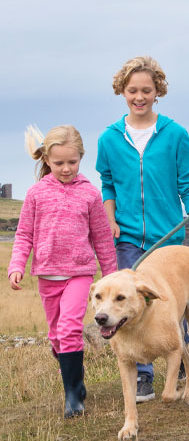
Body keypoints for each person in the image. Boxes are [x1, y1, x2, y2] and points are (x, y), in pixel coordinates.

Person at [96, 55, 189, 401]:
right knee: (130, 308)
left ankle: (180, 355)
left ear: (158, 92)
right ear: (122, 92)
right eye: (132, 90)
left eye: (146, 90)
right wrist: (110, 219)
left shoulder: (175, 135)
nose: (139, 96)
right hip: (126, 237)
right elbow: (107, 184)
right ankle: (143, 374)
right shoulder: (109, 139)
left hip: (168, 236)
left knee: (171, 303)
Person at [8, 124, 117, 418]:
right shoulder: (36, 194)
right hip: (47, 275)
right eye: (59, 163)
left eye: (72, 162)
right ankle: (75, 382)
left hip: (80, 274)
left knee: (70, 329)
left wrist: (111, 275)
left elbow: (103, 238)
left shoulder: (90, 194)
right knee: (57, 336)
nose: (66, 168)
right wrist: (17, 265)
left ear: (81, 158)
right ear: (47, 161)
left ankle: (72, 397)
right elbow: (24, 235)